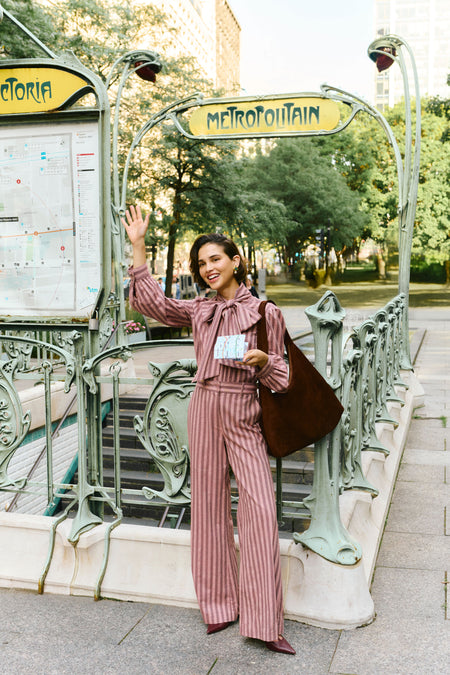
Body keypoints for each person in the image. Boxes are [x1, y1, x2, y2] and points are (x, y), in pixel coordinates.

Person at [122, 205, 295, 656]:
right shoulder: (199, 309)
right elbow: (152, 305)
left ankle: (264, 619)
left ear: (235, 260)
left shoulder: (264, 312)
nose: (208, 269)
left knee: (259, 507)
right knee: (209, 505)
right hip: (203, 407)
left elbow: (284, 375)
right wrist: (138, 246)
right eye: (201, 264)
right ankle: (218, 605)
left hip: (242, 410)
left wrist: (263, 362)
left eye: (215, 259)